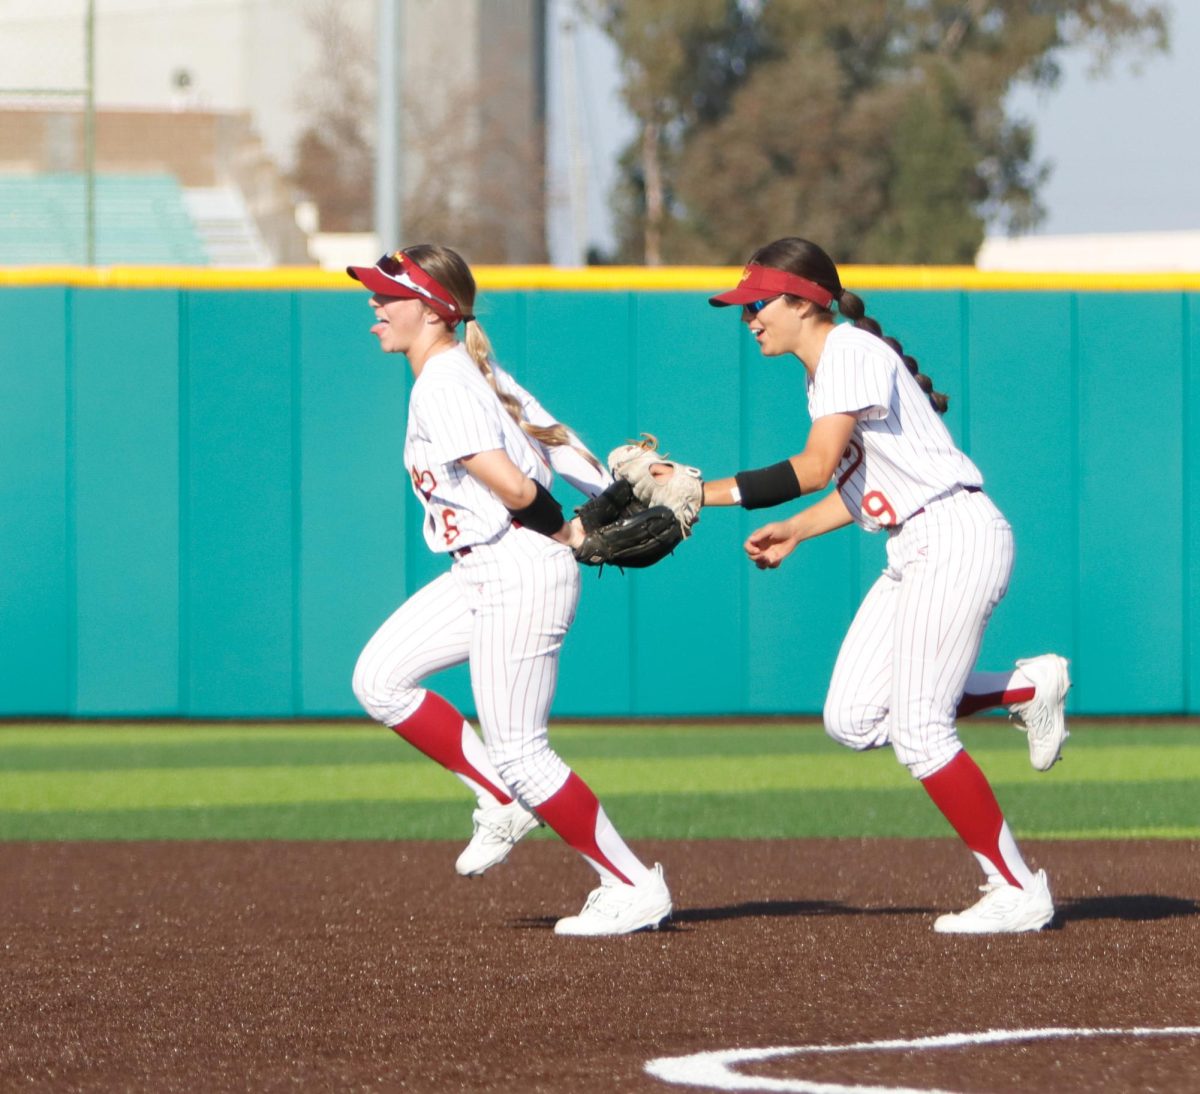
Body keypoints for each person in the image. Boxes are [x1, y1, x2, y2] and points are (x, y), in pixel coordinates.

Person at [699, 237, 1067, 933]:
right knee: (855, 718)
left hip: (955, 536)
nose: (749, 319)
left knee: (923, 733)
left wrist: (700, 492)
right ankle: (1022, 687)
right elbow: (854, 487)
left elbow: (813, 467)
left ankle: (1017, 886)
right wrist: (798, 531)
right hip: (916, 543)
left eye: (758, 303)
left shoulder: (850, 354)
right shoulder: (829, 369)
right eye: (743, 307)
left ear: (805, 300)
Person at [346, 245, 671, 937]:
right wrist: (613, 490)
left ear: (432, 308)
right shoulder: (472, 367)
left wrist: (573, 533)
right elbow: (552, 438)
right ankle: (500, 799)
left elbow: (519, 486)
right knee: (380, 678)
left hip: (518, 567)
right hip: (483, 567)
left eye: (386, 296)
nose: (373, 307)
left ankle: (632, 883)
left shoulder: (442, 382)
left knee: (524, 750)